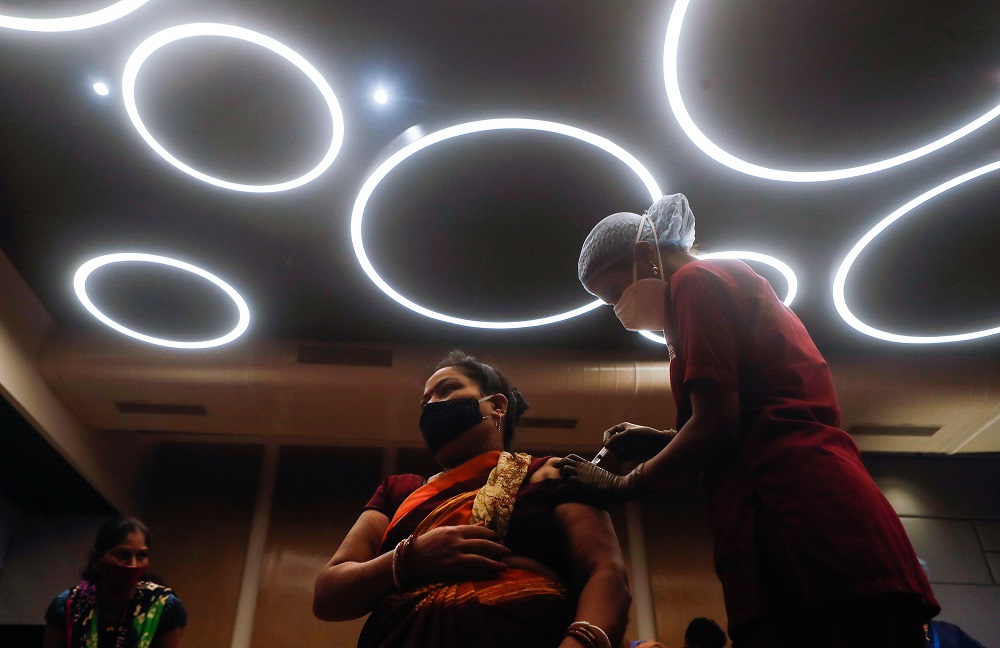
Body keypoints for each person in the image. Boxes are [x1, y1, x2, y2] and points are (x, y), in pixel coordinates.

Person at [558, 194, 939, 648]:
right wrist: (665, 440)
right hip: (807, 512)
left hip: (800, 517)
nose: (620, 308)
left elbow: (719, 425)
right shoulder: (718, 284)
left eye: (617, 292)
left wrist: (625, 485)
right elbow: (753, 413)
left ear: (645, 255)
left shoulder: (696, 282)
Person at [313, 350, 631, 648]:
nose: (432, 406)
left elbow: (606, 575)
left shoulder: (550, 473)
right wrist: (409, 559)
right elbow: (328, 594)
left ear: (497, 407)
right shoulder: (398, 492)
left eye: (446, 390)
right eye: (425, 402)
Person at [43, 517, 186, 648]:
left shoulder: (163, 606)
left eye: (141, 556)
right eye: (123, 555)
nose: (133, 564)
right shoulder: (68, 605)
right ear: (95, 559)